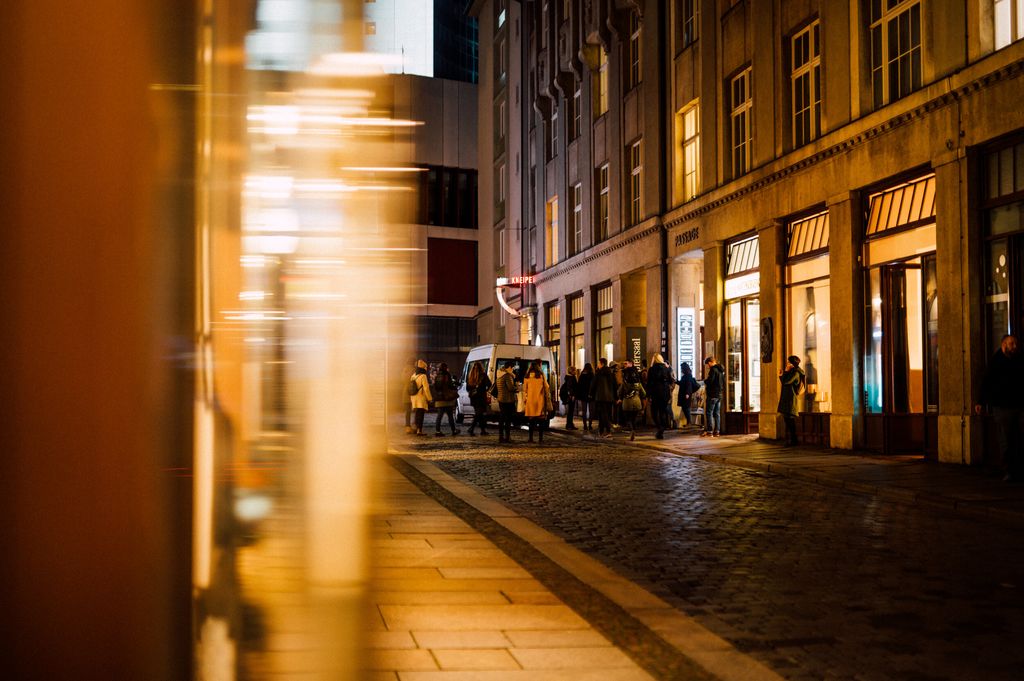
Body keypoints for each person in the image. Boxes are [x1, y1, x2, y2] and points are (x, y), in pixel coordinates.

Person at [976, 334, 1024, 481]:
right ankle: (1009, 470)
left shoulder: (1019, 360)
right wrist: (980, 402)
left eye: (1015, 344)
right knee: (1006, 440)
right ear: (1004, 345)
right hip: (1002, 406)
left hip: (1019, 405)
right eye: (1011, 344)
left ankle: (1018, 469)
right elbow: (986, 382)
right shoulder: (996, 362)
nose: (1014, 347)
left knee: (1019, 438)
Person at [777, 355, 805, 446]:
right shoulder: (792, 372)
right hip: (787, 399)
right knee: (788, 421)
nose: (787, 363)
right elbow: (785, 382)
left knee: (790, 421)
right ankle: (792, 440)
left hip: (790, 400)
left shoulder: (795, 373)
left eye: (789, 362)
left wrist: (784, 373)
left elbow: (786, 382)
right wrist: (783, 374)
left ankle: (794, 441)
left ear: (793, 363)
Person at [646, 353, 674, 439]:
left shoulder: (652, 369)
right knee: (663, 411)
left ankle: (660, 427)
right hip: (665, 393)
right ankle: (662, 429)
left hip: (655, 392)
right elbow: (671, 380)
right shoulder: (666, 368)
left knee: (654, 412)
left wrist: (648, 395)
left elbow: (649, 383)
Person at [618, 364, 646, 441]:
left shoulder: (625, 383)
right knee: (634, 418)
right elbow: (644, 393)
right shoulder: (638, 384)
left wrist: (621, 397)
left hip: (627, 404)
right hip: (637, 403)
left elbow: (619, 392)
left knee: (628, 418)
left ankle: (632, 430)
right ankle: (633, 429)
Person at [591, 358, 617, 438]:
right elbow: (615, 385)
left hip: (600, 397)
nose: (597, 365)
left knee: (602, 414)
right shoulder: (611, 373)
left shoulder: (599, 373)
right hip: (609, 397)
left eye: (598, 363)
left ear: (602, 364)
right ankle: (601, 431)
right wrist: (615, 396)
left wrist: (590, 394)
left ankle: (608, 430)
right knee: (606, 414)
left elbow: (593, 384)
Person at [431, 362, 460, 436]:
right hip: (446, 398)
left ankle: (437, 431)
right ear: (445, 368)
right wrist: (455, 387)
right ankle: (453, 430)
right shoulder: (447, 375)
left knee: (439, 416)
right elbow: (450, 386)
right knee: (450, 415)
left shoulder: (437, 376)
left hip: (439, 398)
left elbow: (435, 387)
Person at [466, 361, 492, 436]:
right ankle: (471, 428)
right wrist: (484, 390)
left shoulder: (470, 376)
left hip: (473, 398)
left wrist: (473, 389)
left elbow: (468, 388)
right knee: (478, 414)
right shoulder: (483, 375)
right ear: (481, 368)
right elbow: (489, 384)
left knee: (479, 414)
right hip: (481, 398)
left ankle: (482, 430)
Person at [495, 361, 519, 443]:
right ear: (509, 367)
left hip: (501, 399)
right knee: (508, 419)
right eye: (512, 368)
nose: (512, 370)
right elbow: (510, 388)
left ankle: (500, 437)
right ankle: (507, 437)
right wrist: (517, 387)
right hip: (508, 400)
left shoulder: (499, 375)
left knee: (502, 419)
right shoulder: (507, 376)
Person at [702, 357, 725, 437]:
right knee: (717, 413)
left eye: (708, 364)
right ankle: (717, 431)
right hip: (719, 395)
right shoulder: (721, 370)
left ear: (711, 362)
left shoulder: (713, 370)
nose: (708, 366)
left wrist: (705, 381)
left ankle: (710, 431)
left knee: (709, 413)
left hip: (712, 394)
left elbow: (710, 381)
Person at [409, 359, 433, 436]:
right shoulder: (423, 376)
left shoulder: (413, 375)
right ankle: (419, 431)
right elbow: (426, 388)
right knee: (421, 415)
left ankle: (416, 429)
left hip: (414, 397)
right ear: (423, 368)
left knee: (416, 414)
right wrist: (429, 398)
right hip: (421, 398)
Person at [524, 366, 548, 443]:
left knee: (531, 421)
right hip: (539, 400)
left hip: (530, 401)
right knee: (541, 421)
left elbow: (525, 390)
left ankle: (530, 438)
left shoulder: (527, 377)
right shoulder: (541, 376)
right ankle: (540, 439)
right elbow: (546, 387)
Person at [677, 362, 700, 428]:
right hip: (684, 394)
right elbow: (682, 383)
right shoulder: (686, 376)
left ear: (684, 369)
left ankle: (689, 422)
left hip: (686, 394)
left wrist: (687, 393)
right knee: (685, 408)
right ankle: (688, 422)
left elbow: (688, 385)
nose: (681, 370)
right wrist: (676, 381)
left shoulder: (688, 376)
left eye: (682, 368)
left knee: (686, 408)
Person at [577, 363, 595, 431]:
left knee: (584, 411)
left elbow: (579, 386)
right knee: (591, 411)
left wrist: (579, 395)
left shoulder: (582, 375)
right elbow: (593, 385)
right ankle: (590, 425)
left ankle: (585, 425)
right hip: (591, 395)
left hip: (583, 395)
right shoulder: (592, 375)